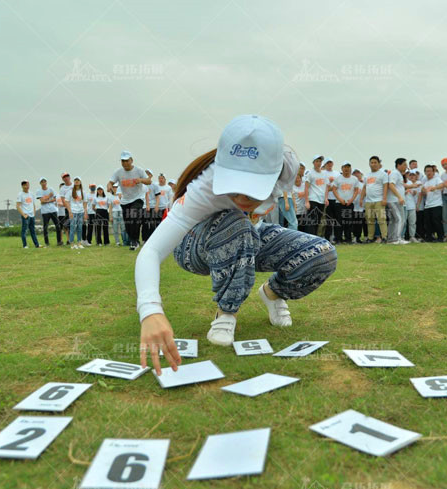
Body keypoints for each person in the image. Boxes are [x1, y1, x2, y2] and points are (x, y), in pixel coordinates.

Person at [136, 115, 337, 374]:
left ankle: (273, 293)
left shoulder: (287, 168)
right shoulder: (205, 187)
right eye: (234, 187)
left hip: (249, 238)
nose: (242, 197)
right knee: (236, 223)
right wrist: (150, 311)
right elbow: (151, 251)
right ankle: (226, 312)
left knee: (321, 254)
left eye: (253, 189)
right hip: (195, 247)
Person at [108, 151, 152, 250]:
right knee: (128, 223)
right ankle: (134, 240)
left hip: (137, 199)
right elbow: (110, 182)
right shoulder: (118, 172)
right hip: (125, 201)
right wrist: (109, 186)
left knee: (134, 217)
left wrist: (140, 180)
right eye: (123, 161)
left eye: (127, 160)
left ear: (131, 160)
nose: (125, 163)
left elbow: (149, 181)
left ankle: (134, 241)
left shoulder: (139, 170)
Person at [359, 156, 388, 243]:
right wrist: (361, 199)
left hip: (379, 200)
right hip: (368, 201)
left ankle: (384, 237)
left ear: (379, 164)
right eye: (372, 162)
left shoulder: (383, 174)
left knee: (381, 219)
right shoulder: (367, 175)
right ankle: (370, 238)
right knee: (370, 220)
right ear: (369, 164)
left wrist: (384, 198)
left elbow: (385, 186)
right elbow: (364, 188)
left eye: (375, 162)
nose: (373, 164)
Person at [331, 161, 359, 244]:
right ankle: (338, 239)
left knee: (349, 221)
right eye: (345, 167)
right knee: (339, 221)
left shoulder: (354, 179)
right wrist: (339, 199)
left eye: (348, 167)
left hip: (349, 203)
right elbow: (334, 189)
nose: (346, 169)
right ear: (342, 168)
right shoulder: (338, 178)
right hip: (339, 203)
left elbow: (356, 190)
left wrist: (351, 200)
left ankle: (348, 239)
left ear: (350, 169)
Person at [303, 154, 328, 235]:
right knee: (312, 221)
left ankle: (315, 237)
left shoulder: (324, 174)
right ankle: (311, 237)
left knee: (318, 221)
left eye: (320, 161)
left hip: (321, 201)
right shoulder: (310, 173)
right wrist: (307, 201)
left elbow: (326, 187)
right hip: (313, 199)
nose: (318, 163)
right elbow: (306, 187)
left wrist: (326, 198)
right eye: (317, 161)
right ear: (313, 163)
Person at [419, 165, 443, 241]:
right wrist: (423, 191)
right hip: (427, 205)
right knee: (427, 223)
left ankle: (440, 237)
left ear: (433, 172)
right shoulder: (425, 182)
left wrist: (435, 188)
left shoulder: (437, 179)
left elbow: (442, 185)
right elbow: (423, 193)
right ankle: (429, 237)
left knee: (437, 221)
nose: (428, 172)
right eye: (426, 171)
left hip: (437, 204)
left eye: (430, 171)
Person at [386, 158, 407, 244]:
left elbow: (399, 186)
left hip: (394, 200)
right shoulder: (395, 173)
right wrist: (400, 197)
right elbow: (391, 185)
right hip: (395, 200)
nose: (406, 167)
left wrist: (413, 186)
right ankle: (397, 239)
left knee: (394, 220)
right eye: (405, 165)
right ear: (399, 165)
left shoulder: (398, 174)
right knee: (400, 219)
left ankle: (391, 239)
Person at [65, 176, 88, 249]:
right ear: (74, 182)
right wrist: (70, 211)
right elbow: (66, 201)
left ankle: (79, 243)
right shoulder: (70, 191)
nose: (77, 181)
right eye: (75, 180)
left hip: (81, 212)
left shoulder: (83, 192)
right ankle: (72, 244)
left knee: (80, 228)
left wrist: (85, 212)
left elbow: (85, 202)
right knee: (72, 227)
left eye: (78, 180)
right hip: (73, 212)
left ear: (80, 182)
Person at [36, 177, 60, 247]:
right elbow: (42, 201)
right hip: (45, 211)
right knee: (45, 227)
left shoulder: (51, 189)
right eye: (42, 182)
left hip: (53, 210)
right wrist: (49, 196)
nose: (43, 183)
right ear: (40, 183)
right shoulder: (39, 191)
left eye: (44, 181)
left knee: (58, 226)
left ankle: (59, 241)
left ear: (46, 182)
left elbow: (54, 199)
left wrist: (46, 200)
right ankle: (47, 242)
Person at [16, 180, 40, 249]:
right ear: (23, 186)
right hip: (26, 215)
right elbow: (18, 206)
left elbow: (33, 204)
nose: (27, 186)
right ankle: (25, 245)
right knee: (24, 231)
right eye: (26, 185)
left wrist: (34, 213)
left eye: (28, 185)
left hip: (32, 215)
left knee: (33, 231)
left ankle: (37, 245)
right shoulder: (20, 194)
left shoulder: (31, 194)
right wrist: (23, 214)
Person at [322, 157, 337, 243]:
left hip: (336, 199)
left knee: (335, 220)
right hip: (326, 200)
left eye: (330, 163)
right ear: (325, 164)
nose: (329, 164)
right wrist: (331, 188)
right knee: (327, 220)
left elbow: (338, 186)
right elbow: (323, 187)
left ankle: (334, 236)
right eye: (328, 163)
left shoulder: (337, 173)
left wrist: (331, 188)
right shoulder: (323, 173)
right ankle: (327, 237)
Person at [352, 169, 367, 243]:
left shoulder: (363, 184)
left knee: (362, 223)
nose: (356, 174)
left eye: (358, 173)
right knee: (355, 223)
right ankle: (355, 237)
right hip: (353, 206)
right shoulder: (352, 183)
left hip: (362, 206)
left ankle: (362, 237)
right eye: (354, 173)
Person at [404, 170, 419, 242]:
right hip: (404, 206)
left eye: (410, 174)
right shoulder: (401, 182)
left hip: (411, 205)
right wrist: (404, 192)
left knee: (412, 222)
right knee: (403, 222)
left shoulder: (410, 183)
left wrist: (414, 192)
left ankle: (412, 236)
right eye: (408, 174)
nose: (409, 176)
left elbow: (413, 193)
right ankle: (401, 236)